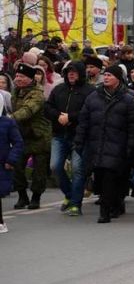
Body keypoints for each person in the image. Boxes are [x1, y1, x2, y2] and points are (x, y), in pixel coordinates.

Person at [74, 65, 134, 223]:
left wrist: (131, 146)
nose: (106, 78)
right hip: (97, 144)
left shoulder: (128, 99)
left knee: (111, 177)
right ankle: (113, 205)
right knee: (101, 177)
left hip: (117, 145)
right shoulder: (93, 98)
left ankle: (105, 211)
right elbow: (83, 121)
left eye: (110, 75)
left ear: (118, 78)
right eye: (105, 75)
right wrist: (79, 141)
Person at [44, 60, 94, 215]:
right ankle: (70, 194)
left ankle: (75, 204)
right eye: (68, 72)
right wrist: (58, 116)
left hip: (80, 136)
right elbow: (47, 107)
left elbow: (90, 111)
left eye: (74, 72)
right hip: (59, 134)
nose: (71, 75)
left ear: (81, 73)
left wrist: (70, 117)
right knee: (55, 166)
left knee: (78, 169)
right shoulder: (58, 89)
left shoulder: (90, 91)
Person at [10, 62, 52, 210]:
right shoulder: (16, 92)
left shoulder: (37, 94)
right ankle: (22, 196)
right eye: (17, 76)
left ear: (30, 79)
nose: (18, 79)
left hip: (39, 136)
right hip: (22, 135)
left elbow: (27, 110)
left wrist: (9, 119)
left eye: (21, 76)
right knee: (16, 166)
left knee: (39, 170)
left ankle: (36, 197)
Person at [0, 102, 23, 233]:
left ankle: (1, 223)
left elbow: (18, 143)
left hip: (2, 163)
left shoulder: (8, 123)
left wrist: (11, 160)